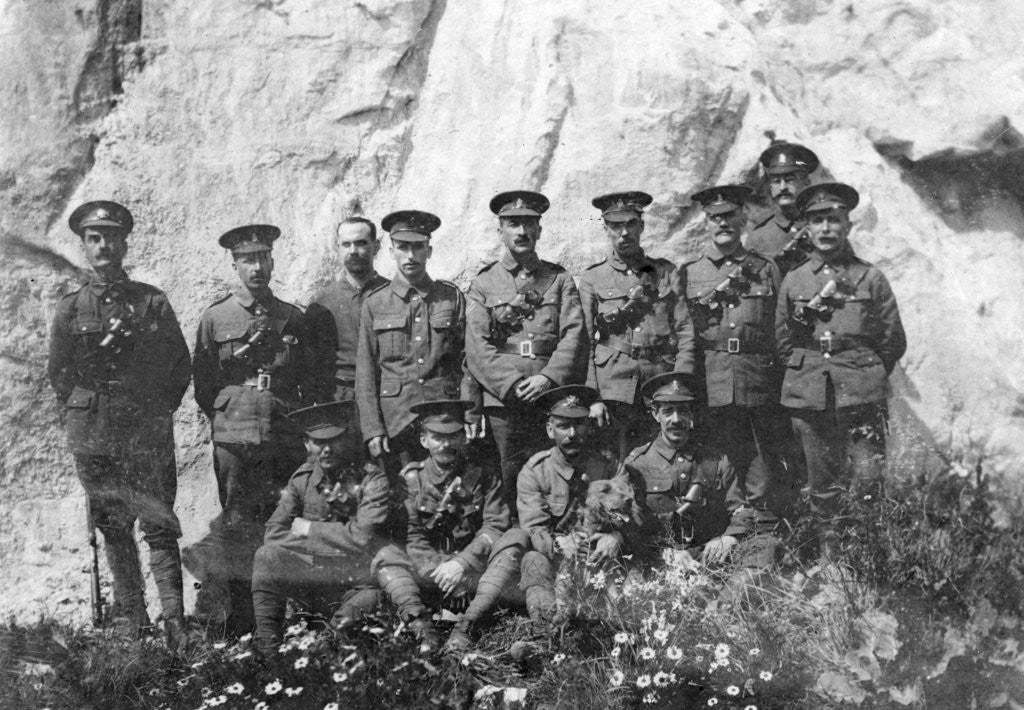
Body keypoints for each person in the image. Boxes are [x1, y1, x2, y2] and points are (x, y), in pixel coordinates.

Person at [47, 201, 191, 650]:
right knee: (112, 523)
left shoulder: (151, 301)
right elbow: (60, 374)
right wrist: (86, 415)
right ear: (85, 246)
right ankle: (134, 619)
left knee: (159, 522)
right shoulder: (71, 309)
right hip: (94, 433)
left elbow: (178, 365)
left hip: (145, 430)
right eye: (94, 238)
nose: (103, 245)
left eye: (111, 237)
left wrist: (155, 410)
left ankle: (175, 622)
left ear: (125, 243)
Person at [193, 224, 324, 636]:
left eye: (263, 258)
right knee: (236, 522)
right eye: (247, 259)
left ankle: (284, 616)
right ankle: (242, 620)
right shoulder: (216, 317)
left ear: (272, 261)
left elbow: (309, 381)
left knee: (285, 519)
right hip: (234, 435)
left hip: (282, 432)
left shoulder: (292, 317)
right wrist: (231, 412)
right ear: (234, 264)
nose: (257, 267)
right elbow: (204, 384)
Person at [776, 182, 907, 542]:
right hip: (811, 395)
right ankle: (831, 555)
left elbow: (892, 340)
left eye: (833, 220)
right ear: (807, 227)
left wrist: (865, 372)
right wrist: (811, 372)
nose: (825, 229)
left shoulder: (871, 277)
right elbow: (783, 342)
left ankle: (867, 553)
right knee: (822, 481)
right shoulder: (795, 279)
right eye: (817, 221)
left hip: (862, 393)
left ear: (848, 224)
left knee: (868, 478)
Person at [684, 185, 794, 561]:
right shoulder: (691, 273)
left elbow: (780, 330)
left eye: (730, 215)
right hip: (712, 377)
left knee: (761, 452)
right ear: (706, 222)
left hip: (757, 374)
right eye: (715, 217)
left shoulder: (765, 269)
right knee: (719, 452)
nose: (723, 223)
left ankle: (761, 533)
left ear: (743, 218)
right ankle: (724, 525)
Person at [464, 191, 587, 507]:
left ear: (539, 230)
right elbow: (477, 346)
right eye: (513, 224)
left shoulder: (559, 279)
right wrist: (511, 384)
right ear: (500, 230)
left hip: (549, 394)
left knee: (550, 472)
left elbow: (574, 335)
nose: (521, 232)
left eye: (528, 224)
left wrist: (548, 378)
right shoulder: (484, 283)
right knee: (505, 474)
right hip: (504, 398)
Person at [374, 400, 527, 652]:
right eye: (437, 437)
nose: (445, 444)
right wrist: (440, 571)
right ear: (424, 440)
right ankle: (423, 628)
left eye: (453, 436)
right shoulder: (411, 479)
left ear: (463, 437)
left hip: (474, 571)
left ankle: (467, 626)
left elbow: (495, 525)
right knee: (386, 555)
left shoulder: (484, 475)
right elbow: (412, 537)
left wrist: (461, 564)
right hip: (429, 574)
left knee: (516, 538)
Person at [251, 401, 394, 656]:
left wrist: (308, 529)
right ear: (307, 444)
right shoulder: (302, 479)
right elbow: (273, 532)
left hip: (355, 584)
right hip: (311, 580)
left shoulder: (372, 480)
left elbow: (362, 537)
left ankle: (327, 644)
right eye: (319, 442)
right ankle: (269, 650)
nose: (327, 449)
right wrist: (337, 539)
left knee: (371, 600)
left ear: (346, 439)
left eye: (335, 440)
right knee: (266, 555)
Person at [577, 191, 695, 459]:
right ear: (605, 229)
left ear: (641, 226)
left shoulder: (665, 272)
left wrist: (680, 381)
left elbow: (685, 331)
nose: (624, 233)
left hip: (660, 383)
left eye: (630, 224)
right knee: (615, 462)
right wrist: (593, 397)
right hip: (613, 388)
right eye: (615, 226)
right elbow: (585, 341)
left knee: (662, 460)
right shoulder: (593, 277)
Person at [356, 210, 472, 475]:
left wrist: (468, 413)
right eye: (402, 247)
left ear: (428, 250)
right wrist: (373, 428)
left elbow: (466, 362)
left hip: (443, 417)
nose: (410, 255)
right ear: (391, 251)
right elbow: (366, 371)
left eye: (418, 247)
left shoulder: (450, 297)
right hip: (396, 420)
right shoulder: (375, 303)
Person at [516, 386, 628, 622]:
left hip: (601, 558)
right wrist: (559, 544)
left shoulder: (608, 465)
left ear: (590, 426)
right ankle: (549, 628)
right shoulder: (536, 471)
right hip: (558, 559)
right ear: (550, 429)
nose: (572, 434)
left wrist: (616, 536)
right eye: (563, 426)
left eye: (579, 425)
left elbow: (632, 509)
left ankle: (613, 626)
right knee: (532, 561)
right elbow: (533, 527)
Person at [624, 373, 728, 556]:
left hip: (708, 556)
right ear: (655, 414)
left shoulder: (716, 460)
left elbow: (741, 510)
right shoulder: (637, 463)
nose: (676, 419)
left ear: (692, 414)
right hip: (657, 558)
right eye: (668, 412)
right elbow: (628, 523)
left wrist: (729, 537)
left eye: (683, 411)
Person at [306, 217, 389, 407]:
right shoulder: (322, 303)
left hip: (386, 395)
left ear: (376, 246)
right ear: (338, 248)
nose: (353, 251)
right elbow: (312, 368)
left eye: (361, 243)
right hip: (340, 399)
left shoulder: (394, 295)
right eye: (346, 244)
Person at [747, 140, 821, 274]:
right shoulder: (758, 237)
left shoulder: (822, 227)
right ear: (770, 187)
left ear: (805, 182)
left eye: (789, 180)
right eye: (776, 181)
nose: (782, 187)